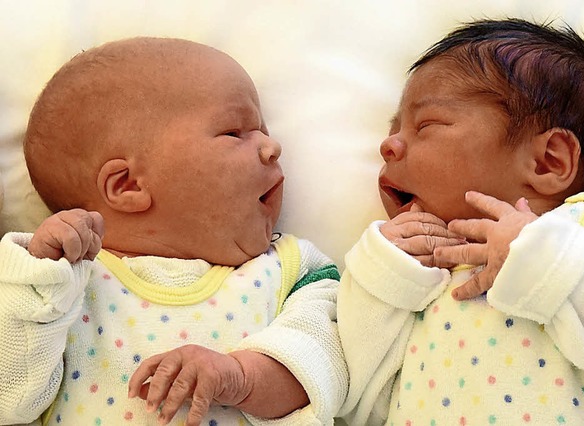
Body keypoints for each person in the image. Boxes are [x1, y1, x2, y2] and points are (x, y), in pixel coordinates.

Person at [0, 37, 348, 426]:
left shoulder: (291, 271)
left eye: (262, 129)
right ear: (128, 185)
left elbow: (327, 368)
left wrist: (240, 378)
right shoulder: (65, 284)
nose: (272, 146)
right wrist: (41, 280)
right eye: (235, 132)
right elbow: (10, 398)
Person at [336, 18, 584, 425]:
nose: (388, 145)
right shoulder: (421, 277)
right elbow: (353, 402)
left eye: (426, 125)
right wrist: (381, 278)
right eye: (395, 130)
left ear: (547, 161)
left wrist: (544, 259)